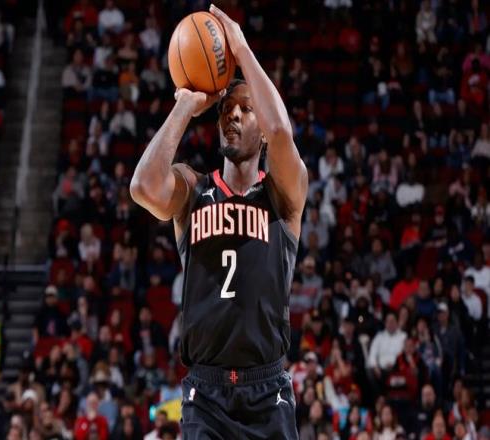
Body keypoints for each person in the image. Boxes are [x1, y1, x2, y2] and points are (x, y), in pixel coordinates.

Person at [130, 4, 307, 438]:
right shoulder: (193, 189)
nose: (234, 114)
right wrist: (186, 107)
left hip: (267, 390)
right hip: (206, 395)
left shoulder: (281, 195)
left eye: (247, 108)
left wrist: (241, 50)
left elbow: (281, 132)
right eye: (227, 107)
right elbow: (143, 187)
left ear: (261, 129)